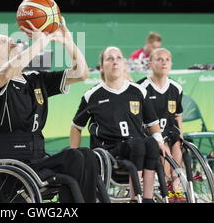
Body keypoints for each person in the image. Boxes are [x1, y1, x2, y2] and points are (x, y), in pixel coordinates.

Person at [0, 17, 99, 203]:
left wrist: (68, 42)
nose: (10, 39)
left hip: (37, 156)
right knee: (73, 158)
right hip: (15, 162)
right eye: (1, 41)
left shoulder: (35, 79)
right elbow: (8, 71)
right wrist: (40, 43)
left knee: (86, 156)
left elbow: (82, 73)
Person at [70, 46, 168, 203]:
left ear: (124, 64)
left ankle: (148, 198)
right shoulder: (92, 95)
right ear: (102, 66)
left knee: (150, 142)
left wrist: (159, 139)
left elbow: (153, 124)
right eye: (110, 59)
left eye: (118, 58)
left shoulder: (139, 92)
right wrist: (74, 154)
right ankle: (135, 198)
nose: (115, 62)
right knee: (138, 144)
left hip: (138, 146)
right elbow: (76, 127)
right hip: (110, 150)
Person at [137, 48, 184, 202]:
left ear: (171, 64)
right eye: (159, 59)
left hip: (169, 130)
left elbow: (178, 115)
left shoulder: (176, 88)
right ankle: (165, 183)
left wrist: (181, 136)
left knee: (177, 143)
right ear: (150, 63)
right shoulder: (141, 88)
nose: (164, 62)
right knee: (163, 146)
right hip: (149, 133)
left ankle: (176, 185)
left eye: (167, 59)